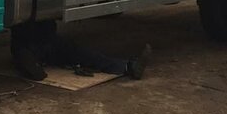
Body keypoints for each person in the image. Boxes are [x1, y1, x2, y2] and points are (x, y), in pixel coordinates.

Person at [10, 19, 152, 81]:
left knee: (82, 53)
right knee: (81, 54)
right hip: (38, 45)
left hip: (45, 42)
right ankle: (128, 67)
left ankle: (129, 67)